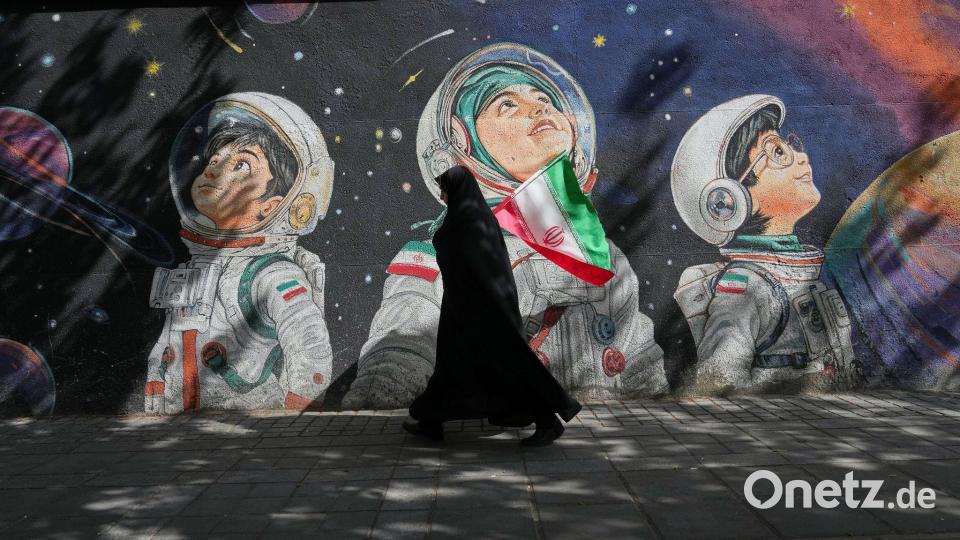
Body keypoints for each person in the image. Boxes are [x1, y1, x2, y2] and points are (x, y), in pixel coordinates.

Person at [343, 43, 667, 410]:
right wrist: (374, 405)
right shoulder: (432, 252)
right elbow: (403, 342)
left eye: (544, 98)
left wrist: (659, 411)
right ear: (465, 146)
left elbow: (636, 348)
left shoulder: (599, 250)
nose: (540, 107)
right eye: (507, 104)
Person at [144, 92, 336, 412]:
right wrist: (155, 386)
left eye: (241, 164)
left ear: (273, 206)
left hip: (248, 419)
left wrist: (301, 415)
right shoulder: (195, 269)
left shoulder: (270, 274)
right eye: (214, 160)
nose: (213, 170)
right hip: (181, 418)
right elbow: (168, 342)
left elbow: (308, 342)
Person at [671, 94, 860, 393]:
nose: (802, 157)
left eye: (788, 145)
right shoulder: (746, 287)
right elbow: (719, 380)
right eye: (777, 151)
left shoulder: (803, 280)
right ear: (729, 200)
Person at [402, 166, 582, 446]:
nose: (442, 195)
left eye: (445, 189)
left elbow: (480, 266)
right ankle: (430, 421)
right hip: (464, 309)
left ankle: (548, 420)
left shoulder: (472, 220)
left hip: (483, 312)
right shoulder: (468, 217)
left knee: (508, 366)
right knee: (454, 368)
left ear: (458, 190)